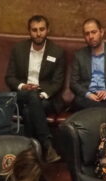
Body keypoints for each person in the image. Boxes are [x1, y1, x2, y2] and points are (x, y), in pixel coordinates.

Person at [4, 14, 65, 162]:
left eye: (42, 29)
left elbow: (57, 82)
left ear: (48, 30)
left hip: (45, 97)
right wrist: (23, 86)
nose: (38, 33)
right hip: (22, 94)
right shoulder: (18, 49)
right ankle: (47, 144)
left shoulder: (57, 52)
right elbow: (9, 77)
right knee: (31, 96)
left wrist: (41, 94)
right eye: (34, 30)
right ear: (29, 31)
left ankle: (31, 152)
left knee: (28, 109)